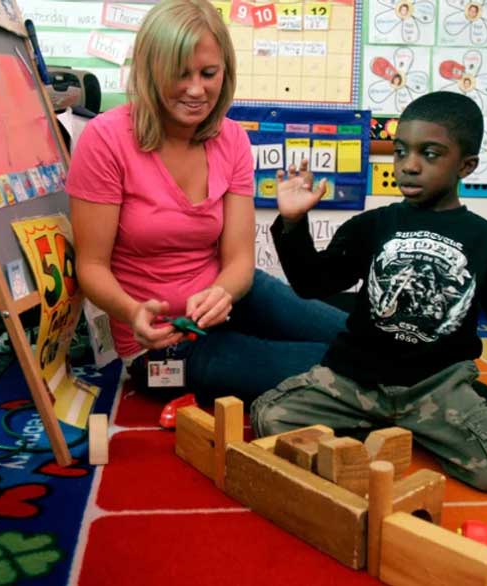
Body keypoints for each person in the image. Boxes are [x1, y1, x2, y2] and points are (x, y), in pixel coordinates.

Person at [251, 92, 487, 494]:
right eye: (400, 152)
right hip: (358, 381)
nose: (409, 166)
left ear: (466, 165)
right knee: (270, 418)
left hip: (436, 385)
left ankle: (481, 403)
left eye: (430, 154)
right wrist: (293, 223)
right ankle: (398, 423)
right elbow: (313, 284)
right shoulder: (371, 225)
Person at [65, 0, 346, 404]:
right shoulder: (105, 139)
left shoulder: (232, 138)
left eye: (209, 73)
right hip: (162, 344)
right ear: (150, 71)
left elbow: (238, 263)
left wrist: (223, 293)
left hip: (232, 300)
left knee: (364, 341)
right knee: (339, 368)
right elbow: (91, 266)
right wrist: (132, 313)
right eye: (180, 75)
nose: (197, 90)